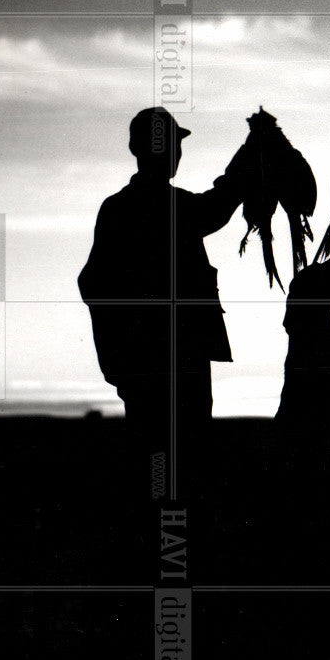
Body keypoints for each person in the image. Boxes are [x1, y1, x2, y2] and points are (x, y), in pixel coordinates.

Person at [78, 107, 247, 494]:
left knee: (159, 465)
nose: (176, 154)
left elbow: (92, 284)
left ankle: (162, 535)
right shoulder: (162, 207)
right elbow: (213, 209)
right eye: (171, 146)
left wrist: (119, 358)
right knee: (177, 467)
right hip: (171, 360)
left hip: (145, 364)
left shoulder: (121, 208)